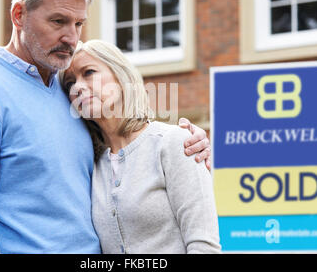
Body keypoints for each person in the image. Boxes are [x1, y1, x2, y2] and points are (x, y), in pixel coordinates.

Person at [0, 0, 211, 254]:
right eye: (58, 21)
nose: (71, 37)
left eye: (79, 23)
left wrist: (191, 145)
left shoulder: (68, 87)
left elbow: (125, 145)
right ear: (19, 15)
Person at [59, 40, 221, 254]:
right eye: (70, 83)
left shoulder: (174, 143)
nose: (77, 87)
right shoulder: (90, 163)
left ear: (120, 76)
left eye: (88, 72)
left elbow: (204, 246)